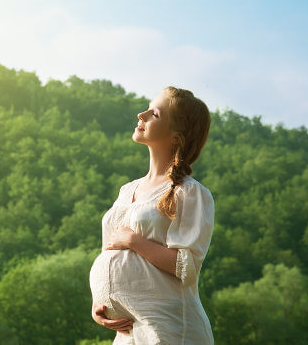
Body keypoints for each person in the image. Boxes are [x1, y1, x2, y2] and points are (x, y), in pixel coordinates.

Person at [89, 86, 216, 344]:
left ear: (176, 137)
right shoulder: (127, 190)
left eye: (154, 114)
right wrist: (98, 305)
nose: (141, 114)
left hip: (170, 331)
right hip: (129, 333)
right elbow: (109, 252)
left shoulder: (189, 193)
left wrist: (135, 241)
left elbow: (186, 267)